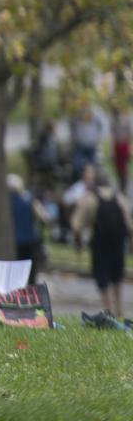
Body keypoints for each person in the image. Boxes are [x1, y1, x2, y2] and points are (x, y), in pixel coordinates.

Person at [71, 168, 133, 318]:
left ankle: (108, 309)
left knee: (101, 276)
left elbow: (76, 224)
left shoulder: (90, 198)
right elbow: (129, 223)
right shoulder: (119, 197)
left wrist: (78, 243)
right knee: (117, 276)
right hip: (118, 242)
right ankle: (119, 308)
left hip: (99, 242)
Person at [7, 174, 47, 285]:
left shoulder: (7, 203)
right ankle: (31, 290)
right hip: (30, 239)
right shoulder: (29, 200)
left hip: (15, 240)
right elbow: (43, 216)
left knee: (16, 267)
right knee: (31, 269)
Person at [110, 107, 131, 194]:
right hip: (117, 146)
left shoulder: (126, 121)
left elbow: (129, 135)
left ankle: (124, 186)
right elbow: (113, 137)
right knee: (118, 167)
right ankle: (121, 185)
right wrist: (112, 151)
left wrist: (130, 148)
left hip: (124, 145)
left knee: (124, 167)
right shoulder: (114, 122)